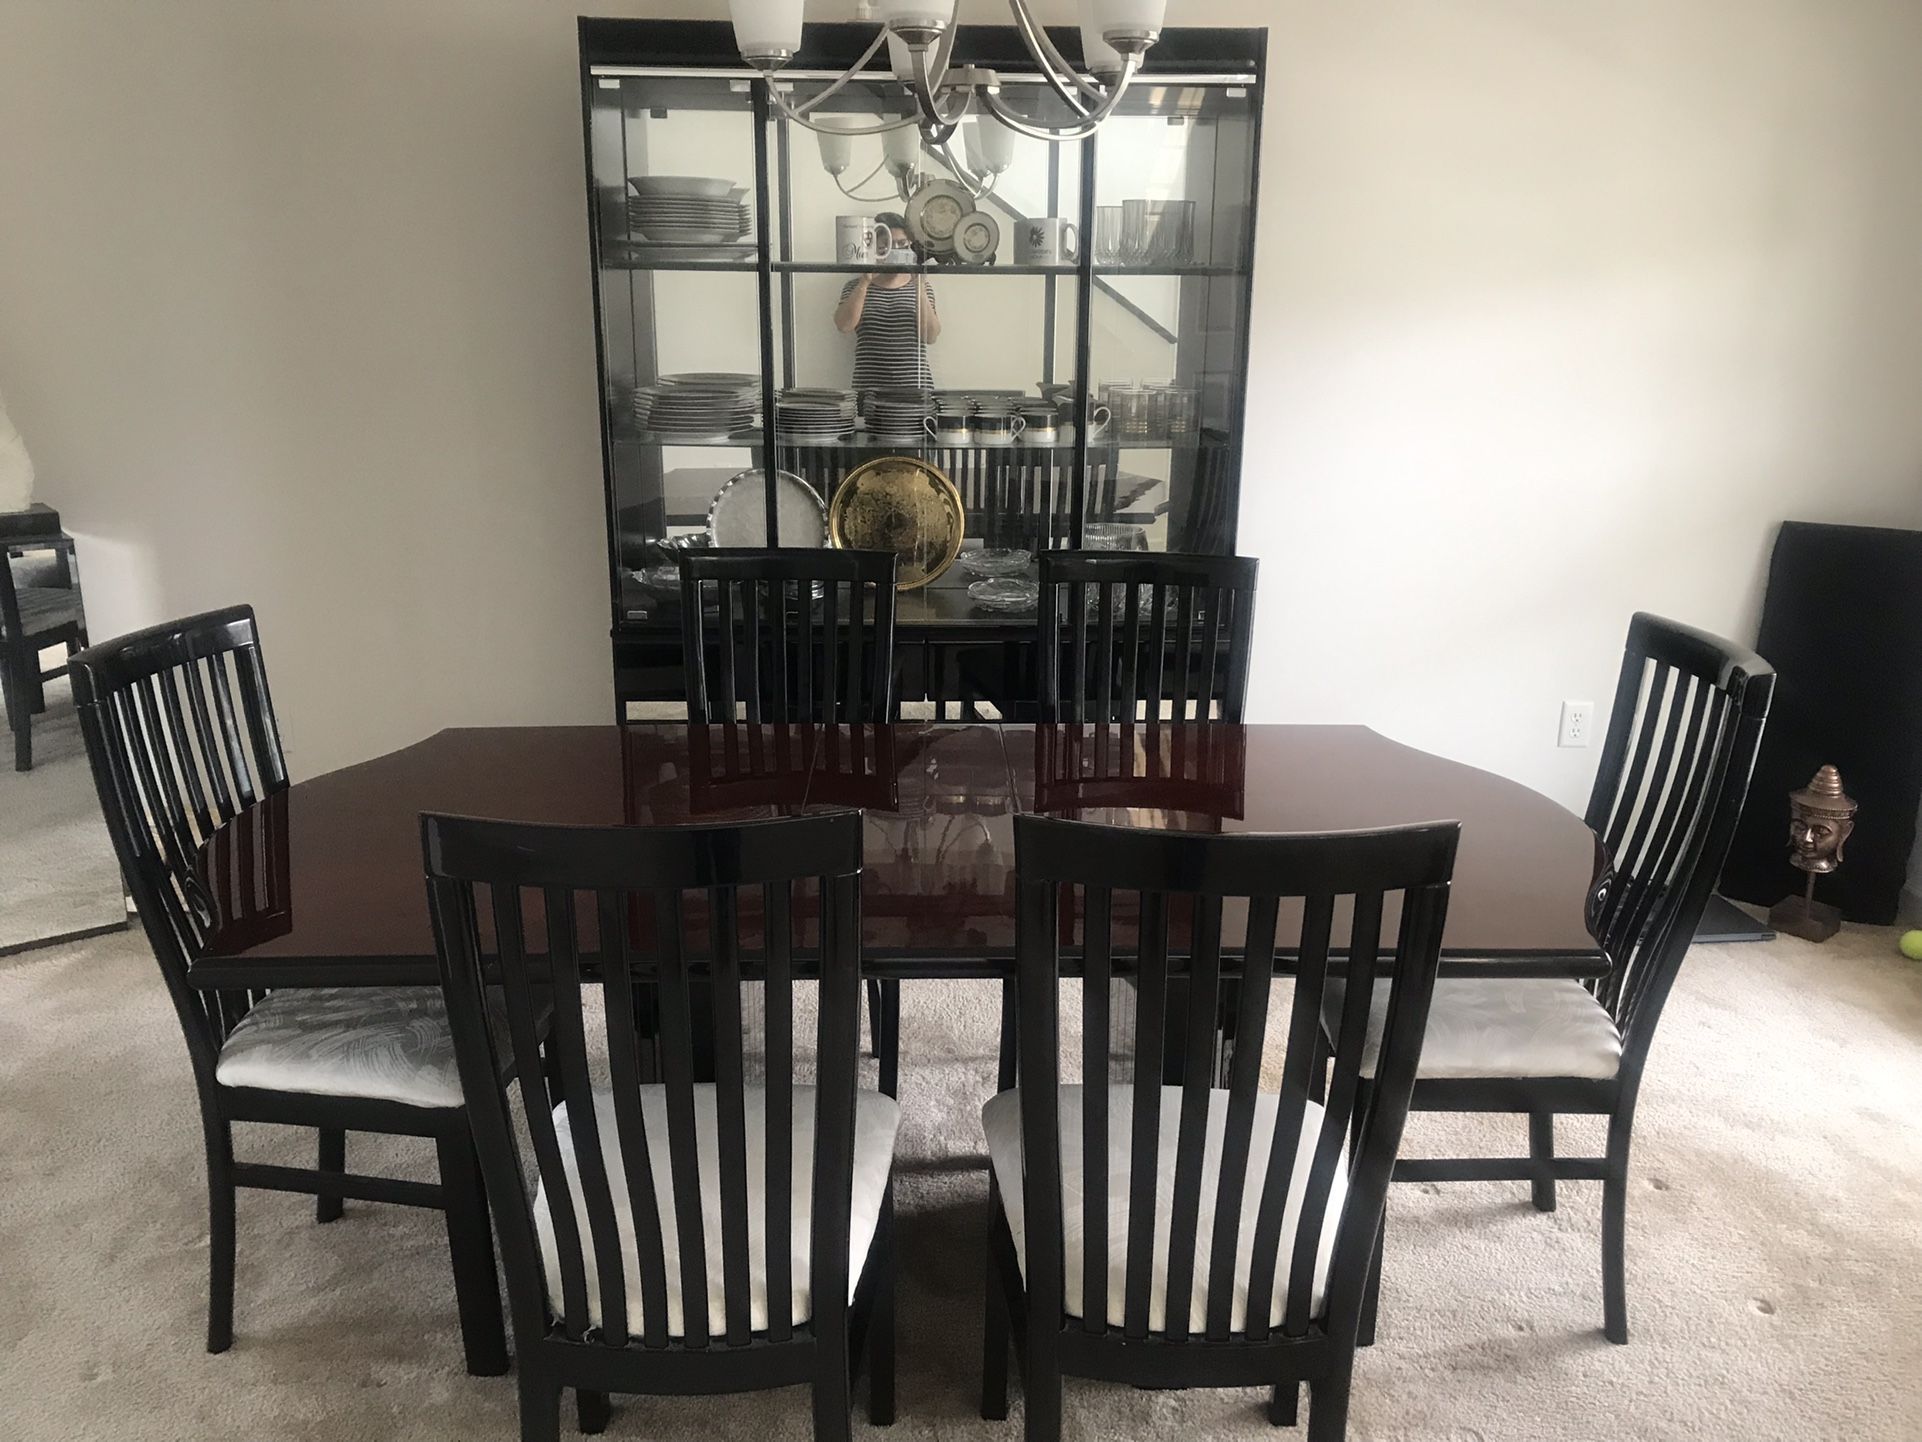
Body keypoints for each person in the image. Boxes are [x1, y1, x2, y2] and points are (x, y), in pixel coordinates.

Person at [833, 212, 940, 392]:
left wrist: (919, 287)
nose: (895, 251)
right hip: (868, 391)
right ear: (875, 248)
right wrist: (865, 281)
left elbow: (930, 337)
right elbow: (844, 326)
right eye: (887, 245)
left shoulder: (921, 287)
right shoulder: (856, 287)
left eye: (902, 245)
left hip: (915, 391)